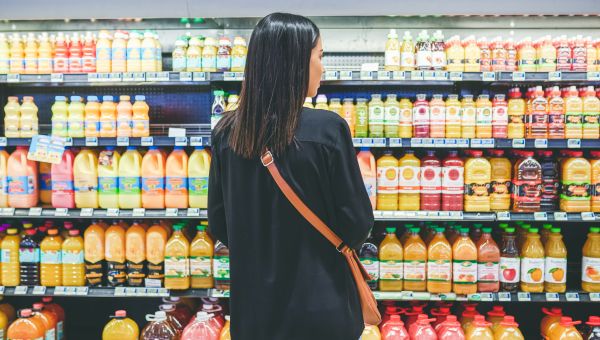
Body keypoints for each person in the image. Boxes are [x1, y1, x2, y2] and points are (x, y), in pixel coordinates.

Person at [208, 12, 374, 339]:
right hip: (322, 311)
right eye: (320, 56)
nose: (322, 67)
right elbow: (357, 223)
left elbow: (220, 225)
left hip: (254, 315)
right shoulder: (328, 129)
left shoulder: (226, 132)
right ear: (297, 62)